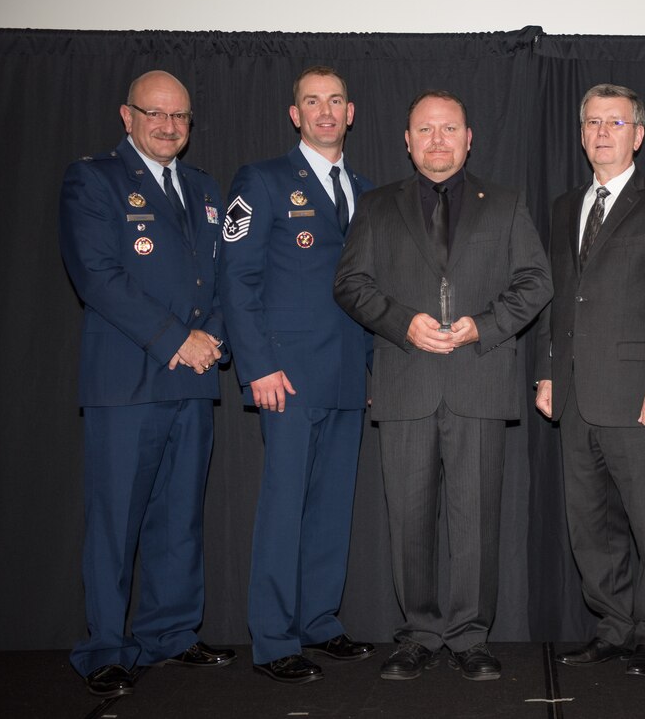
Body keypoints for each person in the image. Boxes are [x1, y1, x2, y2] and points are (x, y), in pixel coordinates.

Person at [333, 90, 552, 682]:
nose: (436, 140)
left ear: (468, 136)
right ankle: (419, 634)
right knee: (407, 520)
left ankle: (471, 637)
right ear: (407, 141)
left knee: (477, 521)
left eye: (448, 129)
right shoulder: (376, 206)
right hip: (406, 382)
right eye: (424, 130)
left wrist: (484, 326)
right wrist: (401, 322)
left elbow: (535, 281)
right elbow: (350, 284)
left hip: (478, 381)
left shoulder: (505, 204)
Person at [59, 70, 236, 698]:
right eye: (156, 114)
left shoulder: (205, 188)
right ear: (126, 116)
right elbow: (98, 277)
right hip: (127, 383)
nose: (169, 126)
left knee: (180, 518)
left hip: (192, 382)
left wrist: (213, 336)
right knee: (116, 522)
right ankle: (105, 646)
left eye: (181, 117)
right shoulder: (94, 180)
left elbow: (224, 279)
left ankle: (171, 634)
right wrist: (174, 340)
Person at [534, 83, 645, 677]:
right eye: (593, 123)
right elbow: (556, 302)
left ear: (639, 134)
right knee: (589, 523)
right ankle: (613, 623)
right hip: (575, 393)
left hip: (639, 396)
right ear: (581, 133)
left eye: (616, 122)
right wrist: (547, 374)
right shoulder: (562, 206)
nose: (603, 132)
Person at [218, 66, 374, 684]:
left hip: (345, 374)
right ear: (295, 114)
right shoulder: (261, 180)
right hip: (285, 375)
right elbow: (237, 278)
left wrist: (369, 369)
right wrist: (257, 365)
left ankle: (319, 622)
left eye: (335, 100)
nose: (325, 111)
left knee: (332, 507)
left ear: (351, 110)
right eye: (312, 102)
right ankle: (275, 637)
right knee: (284, 508)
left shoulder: (362, 188)